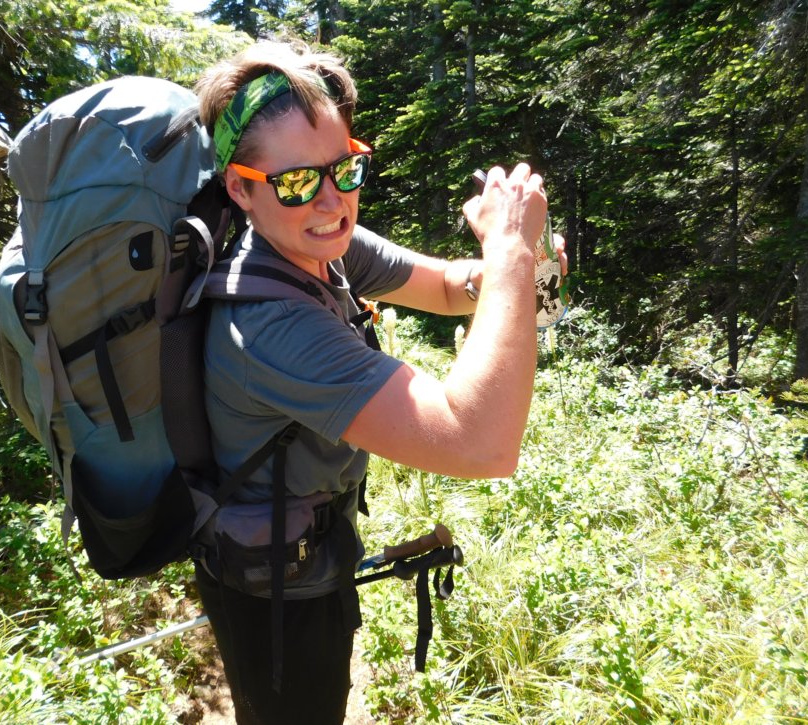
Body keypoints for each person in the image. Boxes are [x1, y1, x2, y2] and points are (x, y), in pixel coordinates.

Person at [193, 40, 567, 725]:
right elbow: (482, 444)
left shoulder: (320, 245)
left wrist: (528, 271)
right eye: (297, 181)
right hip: (274, 592)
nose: (332, 200)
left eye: (345, 168)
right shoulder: (266, 322)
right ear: (239, 187)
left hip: (315, 548)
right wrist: (511, 254)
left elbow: (456, 290)